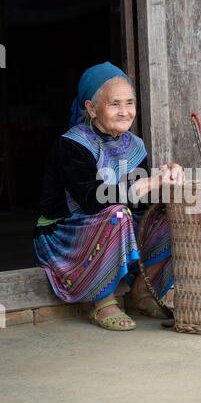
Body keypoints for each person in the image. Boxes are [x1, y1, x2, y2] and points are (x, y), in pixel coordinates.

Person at [33, 62, 184, 331]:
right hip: (67, 233)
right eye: (115, 104)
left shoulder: (134, 145)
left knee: (168, 215)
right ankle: (102, 301)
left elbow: (140, 202)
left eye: (129, 103)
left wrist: (164, 177)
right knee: (117, 213)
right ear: (91, 108)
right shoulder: (72, 144)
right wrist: (148, 183)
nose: (125, 112)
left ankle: (141, 292)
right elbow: (93, 200)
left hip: (112, 226)